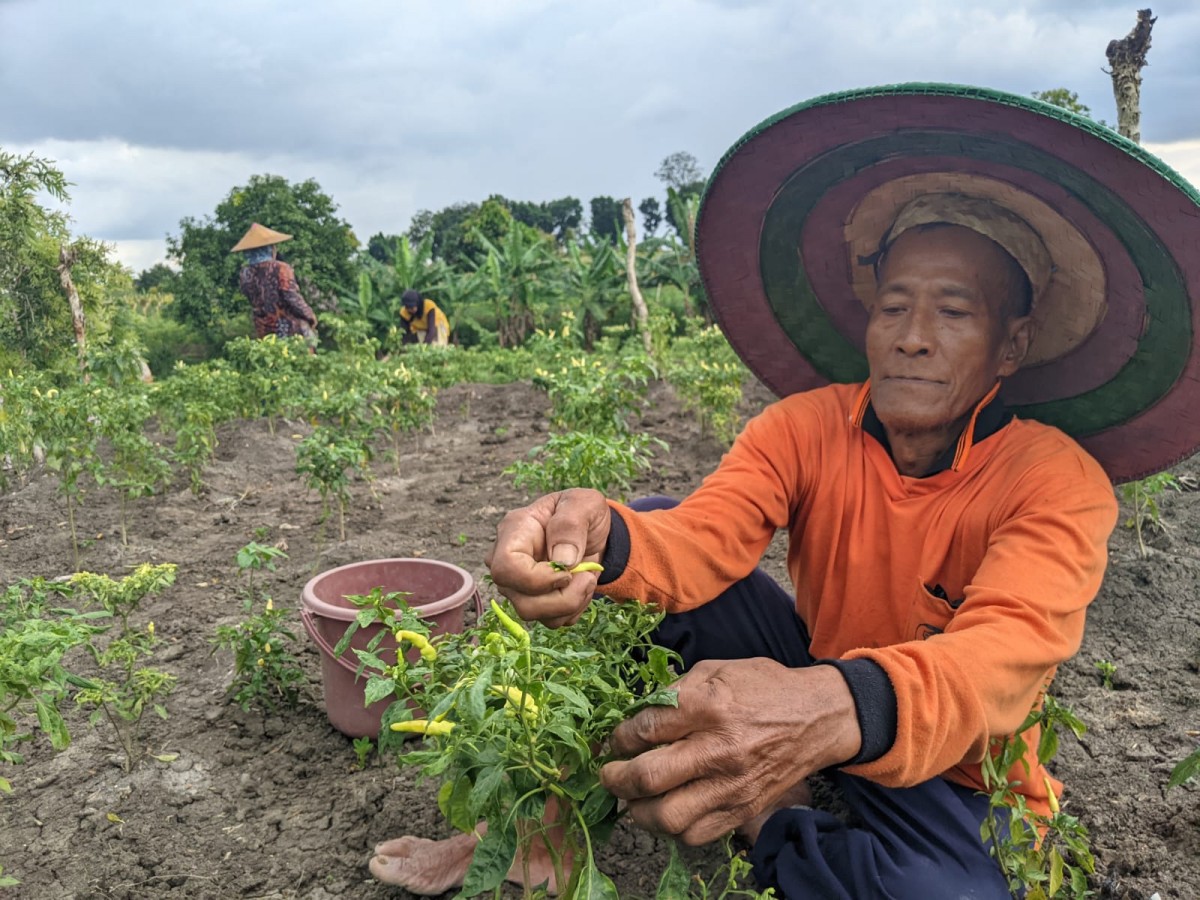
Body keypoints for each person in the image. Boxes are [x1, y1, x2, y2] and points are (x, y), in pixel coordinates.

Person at [370, 84, 1200, 898]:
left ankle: (771, 811)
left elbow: (997, 664)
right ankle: (542, 826)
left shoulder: (1054, 481)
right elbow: (699, 541)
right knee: (646, 536)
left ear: (1011, 345)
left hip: (953, 770)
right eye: (894, 305)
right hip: (812, 679)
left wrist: (825, 710)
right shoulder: (804, 428)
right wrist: (598, 536)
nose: (912, 338)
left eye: (953, 311)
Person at [231, 222, 319, 348]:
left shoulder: (245, 273)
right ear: (270, 248)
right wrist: (309, 315)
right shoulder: (281, 268)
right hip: (287, 326)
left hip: (263, 328)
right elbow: (291, 296)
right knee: (305, 351)